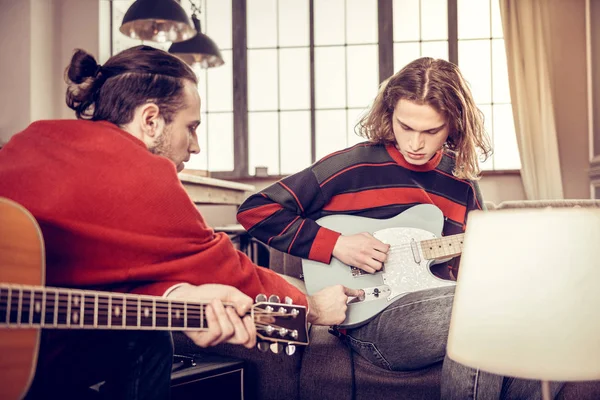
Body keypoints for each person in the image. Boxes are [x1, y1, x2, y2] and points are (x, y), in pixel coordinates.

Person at [0, 45, 356, 399]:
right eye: (192, 127)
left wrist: (174, 296)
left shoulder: (32, 137)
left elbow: (91, 273)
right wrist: (313, 308)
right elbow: (230, 272)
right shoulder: (142, 173)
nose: (196, 146)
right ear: (151, 120)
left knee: (143, 329)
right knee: (150, 339)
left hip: (33, 335)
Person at [237, 57, 563, 399]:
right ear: (389, 113)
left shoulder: (461, 184)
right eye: (405, 126)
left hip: (440, 308)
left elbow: (475, 270)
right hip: (371, 318)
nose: (415, 144)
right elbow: (256, 210)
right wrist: (336, 244)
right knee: (478, 307)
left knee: (546, 312)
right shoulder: (351, 165)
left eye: (430, 131)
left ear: (453, 125)